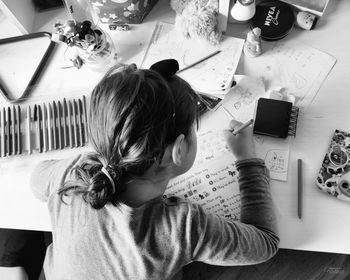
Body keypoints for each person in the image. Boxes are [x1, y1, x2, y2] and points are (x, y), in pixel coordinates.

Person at [30, 61, 279, 280]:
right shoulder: (184, 228)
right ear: (178, 150)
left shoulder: (75, 174)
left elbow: (36, 179)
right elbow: (266, 243)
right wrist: (246, 157)